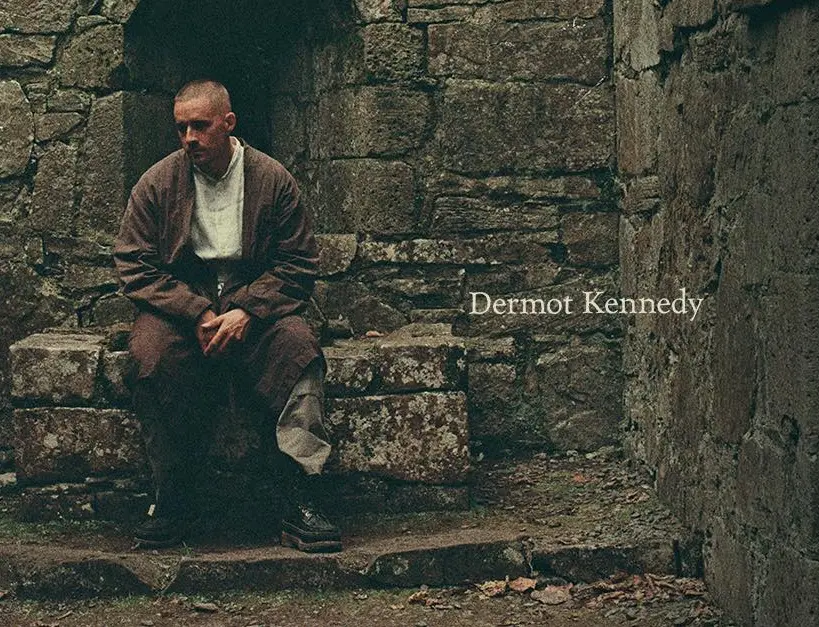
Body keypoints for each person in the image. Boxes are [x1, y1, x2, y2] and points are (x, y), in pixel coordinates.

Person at [113, 79, 341, 553]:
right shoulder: (157, 182)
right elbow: (133, 263)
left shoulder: (272, 179)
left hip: (257, 301)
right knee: (150, 356)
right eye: (181, 128)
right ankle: (173, 497)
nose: (189, 138)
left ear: (229, 123)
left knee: (298, 350)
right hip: (181, 304)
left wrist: (248, 309)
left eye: (200, 126)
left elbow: (298, 263)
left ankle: (300, 495)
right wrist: (194, 310)